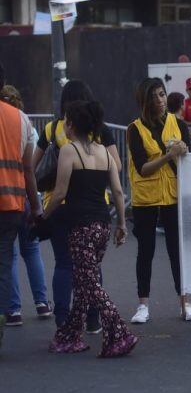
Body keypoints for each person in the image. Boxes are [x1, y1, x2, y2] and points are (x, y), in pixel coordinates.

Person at [44, 100, 136, 357]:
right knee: (83, 283)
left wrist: (43, 215)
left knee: (89, 283)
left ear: (71, 125)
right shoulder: (105, 153)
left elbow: (60, 191)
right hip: (102, 226)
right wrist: (120, 224)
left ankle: (119, 332)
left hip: (80, 226)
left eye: (67, 122)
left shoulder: (69, 151)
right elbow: (118, 191)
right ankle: (70, 335)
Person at [33, 80, 122, 332]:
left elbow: (32, 165)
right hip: (95, 205)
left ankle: (63, 320)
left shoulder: (52, 129)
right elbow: (117, 166)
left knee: (63, 263)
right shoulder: (99, 131)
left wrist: (40, 211)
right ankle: (93, 319)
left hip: (59, 206)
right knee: (92, 266)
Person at [128, 77, 191, 324]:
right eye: (154, 96)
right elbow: (142, 168)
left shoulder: (178, 124)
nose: (160, 100)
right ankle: (142, 305)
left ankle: (185, 302)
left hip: (172, 194)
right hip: (146, 198)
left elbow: (188, 161)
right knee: (145, 251)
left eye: (162, 94)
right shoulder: (134, 129)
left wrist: (183, 150)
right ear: (144, 101)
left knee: (176, 251)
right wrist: (169, 154)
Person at [0, 62, 43, 351]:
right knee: (4, 264)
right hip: (12, 205)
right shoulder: (21, 119)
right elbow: (29, 168)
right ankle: (5, 320)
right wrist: (36, 206)